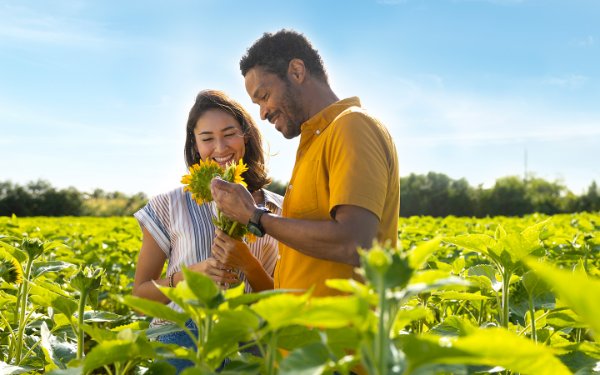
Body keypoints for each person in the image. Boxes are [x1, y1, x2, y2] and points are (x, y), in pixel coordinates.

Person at [211, 29, 399, 297]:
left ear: (297, 71)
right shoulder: (314, 142)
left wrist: (255, 216)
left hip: (338, 335)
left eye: (264, 96)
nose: (262, 113)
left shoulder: (351, 126)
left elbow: (354, 243)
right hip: (303, 335)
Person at [132, 89, 283, 373]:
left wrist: (249, 265)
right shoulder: (169, 204)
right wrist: (187, 279)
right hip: (183, 338)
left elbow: (284, 299)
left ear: (246, 136)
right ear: (195, 144)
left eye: (229, 134)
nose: (220, 147)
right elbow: (140, 298)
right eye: (207, 138)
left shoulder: (277, 211)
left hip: (251, 341)